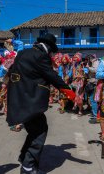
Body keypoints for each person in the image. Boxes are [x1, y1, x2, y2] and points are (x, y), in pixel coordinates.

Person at [7, 33, 69, 174]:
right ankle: (28, 167)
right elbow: (52, 76)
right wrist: (69, 92)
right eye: (52, 50)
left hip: (19, 98)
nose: (52, 53)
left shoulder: (23, 53)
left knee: (35, 130)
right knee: (39, 130)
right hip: (31, 101)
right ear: (48, 47)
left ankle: (25, 158)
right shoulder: (41, 57)